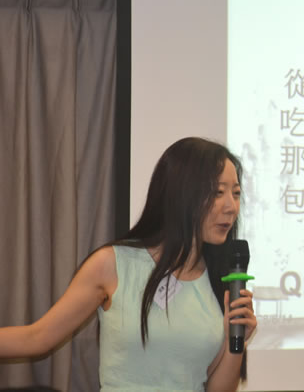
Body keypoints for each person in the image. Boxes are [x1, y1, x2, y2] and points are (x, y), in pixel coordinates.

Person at [0, 137, 257, 392]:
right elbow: (37, 337)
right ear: (180, 194)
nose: (231, 207)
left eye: (236, 194)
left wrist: (235, 343)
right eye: (218, 192)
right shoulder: (113, 264)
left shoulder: (221, 279)